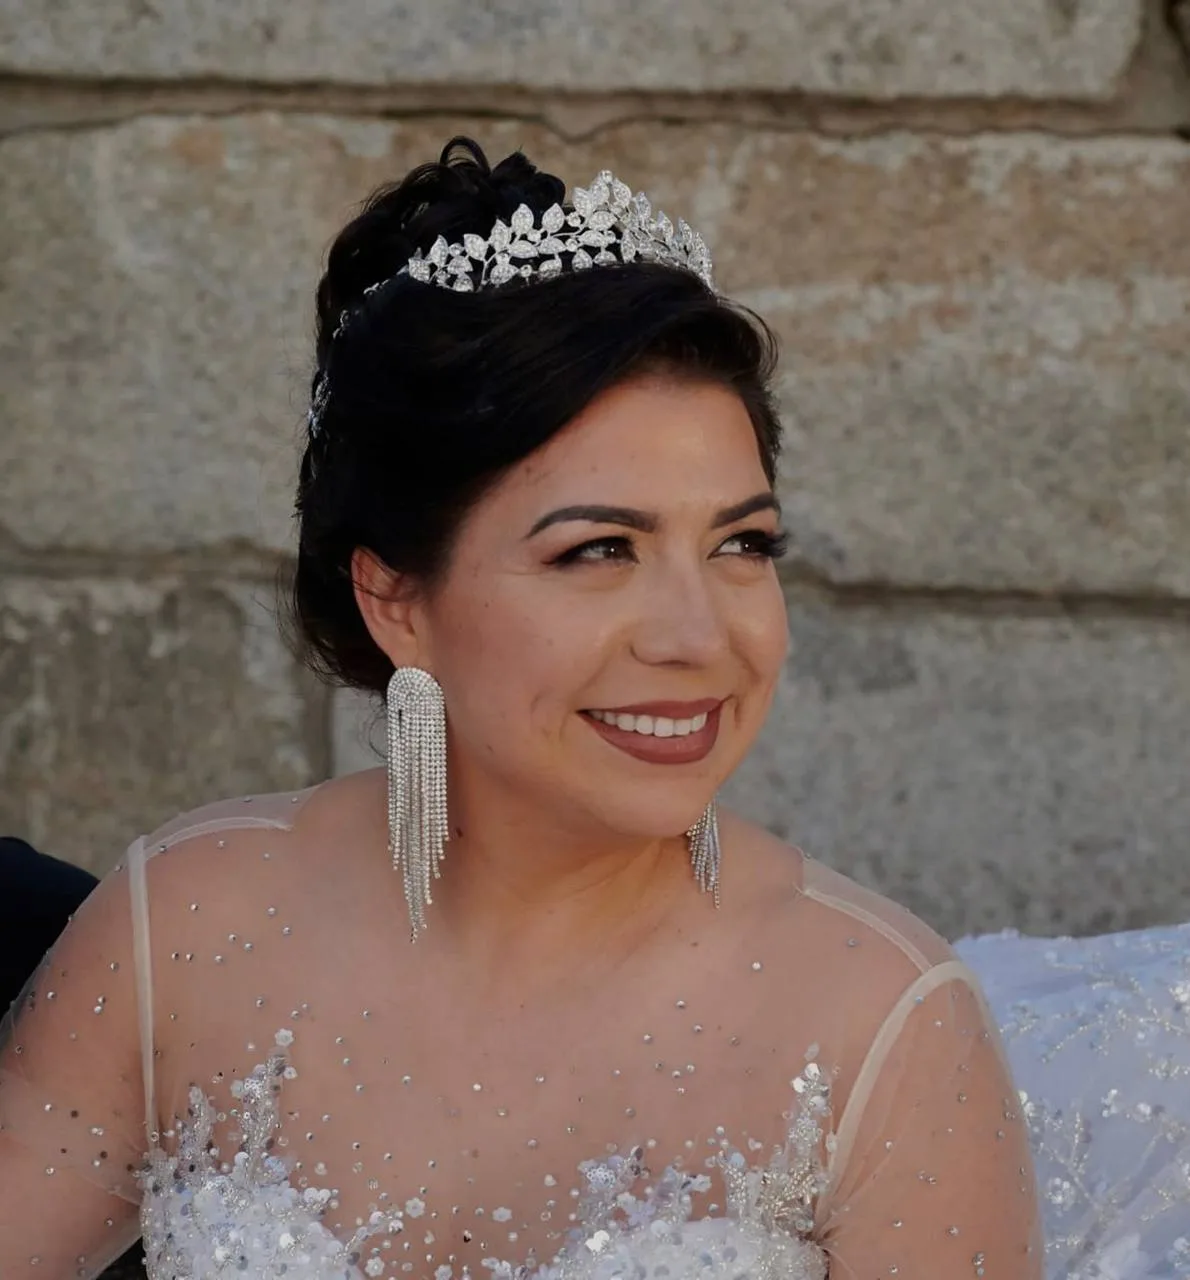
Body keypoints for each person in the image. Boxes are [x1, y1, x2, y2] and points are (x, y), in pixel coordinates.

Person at [0, 136, 1176, 1280]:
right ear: (396, 598)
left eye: (740, 544)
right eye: (599, 549)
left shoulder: (877, 1028)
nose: (697, 635)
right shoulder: (181, 933)